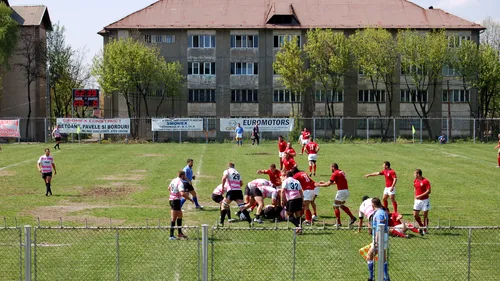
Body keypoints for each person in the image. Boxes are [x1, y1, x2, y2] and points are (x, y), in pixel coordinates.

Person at [315, 163, 356, 227]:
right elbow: (335, 182)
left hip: (341, 192)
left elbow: (328, 185)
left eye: (331, 168)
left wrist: (319, 185)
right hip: (346, 191)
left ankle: (338, 223)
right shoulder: (341, 172)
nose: (330, 169)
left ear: (333, 167)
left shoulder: (335, 173)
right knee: (341, 205)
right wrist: (325, 182)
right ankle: (352, 217)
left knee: (335, 206)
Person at [366, 197, 390, 281]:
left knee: (369, 256)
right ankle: (386, 277)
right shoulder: (382, 211)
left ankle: (371, 277)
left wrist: (376, 240)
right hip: (382, 236)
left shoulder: (379, 213)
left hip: (380, 237)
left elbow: (380, 228)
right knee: (383, 257)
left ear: (373, 204)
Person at [168, 170, 192, 240]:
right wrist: (190, 199)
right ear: (182, 175)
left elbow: (169, 188)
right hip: (175, 201)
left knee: (180, 216)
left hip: (173, 200)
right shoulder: (180, 182)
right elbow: (182, 194)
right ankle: (171, 235)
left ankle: (180, 233)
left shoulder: (173, 180)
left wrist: (173, 193)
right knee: (174, 218)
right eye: (184, 176)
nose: (185, 177)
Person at [413, 169, 431, 235]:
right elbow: (415, 188)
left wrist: (420, 196)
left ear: (418, 174)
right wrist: (415, 197)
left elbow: (429, 191)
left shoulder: (425, 181)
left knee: (425, 216)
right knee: (415, 215)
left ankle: (425, 229)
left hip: (425, 201)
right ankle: (421, 225)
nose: (414, 175)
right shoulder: (415, 180)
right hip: (417, 200)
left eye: (414, 173)